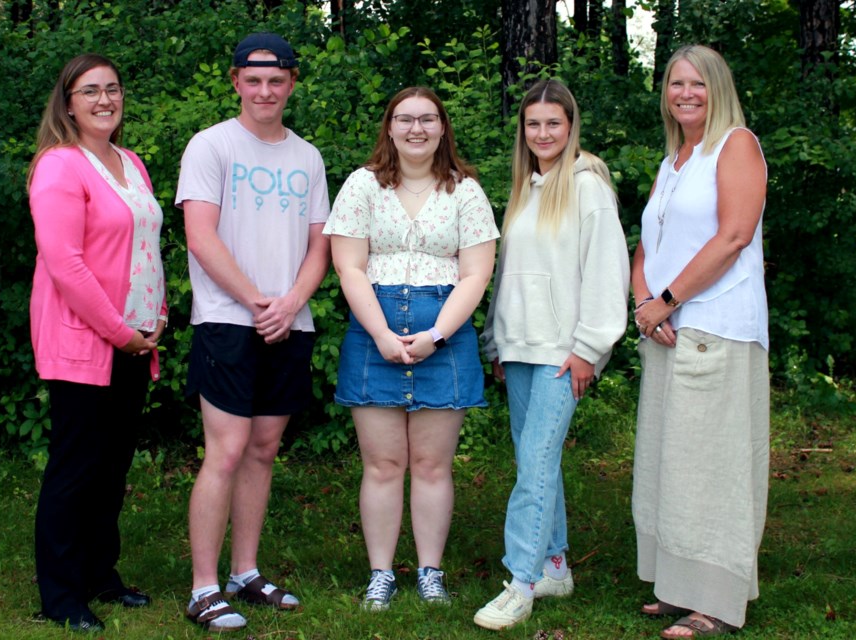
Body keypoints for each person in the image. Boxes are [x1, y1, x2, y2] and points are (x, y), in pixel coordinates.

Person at [175, 32, 330, 633]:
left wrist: (290, 302)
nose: (265, 90)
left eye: (277, 79)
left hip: (290, 321)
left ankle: (245, 571)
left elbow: (321, 242)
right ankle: (204, 588)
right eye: (253, 79)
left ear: (291, 83)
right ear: (236, 81)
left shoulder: (307, 156)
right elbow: (201, 236)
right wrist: (257, 301)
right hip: (228, 321)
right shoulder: (211, 146)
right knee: (228, 451)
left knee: (264, 450)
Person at [324, 87, 498, 611]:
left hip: (444, 334)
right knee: (381, 464)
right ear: (390, 126)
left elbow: (476, 272)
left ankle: (430, 572)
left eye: (427, 119)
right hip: (373, 330)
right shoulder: (362, 186)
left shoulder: (465, 190)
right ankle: (381, 574)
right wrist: (380, 333)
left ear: (443, 127)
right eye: (406, 119)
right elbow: (349, 266)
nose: (416, 128)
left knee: (431, 465)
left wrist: (437, 335)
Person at [473, 79, 630, 631]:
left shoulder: (588, 188)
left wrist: (590, 347)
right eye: (533, 124)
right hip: (518, 348)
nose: (543, 134)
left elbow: (608, 273)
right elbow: (506, 276)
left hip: (564, 354)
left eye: (553, 124)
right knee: (534, 462)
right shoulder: (524, 188)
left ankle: (521, 582)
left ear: (571, 126)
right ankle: (556, 564)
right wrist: (497, 341)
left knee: (534, 467)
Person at [631, 44, 769, 639]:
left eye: (698, 84)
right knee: (672, 460)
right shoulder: (676, 159)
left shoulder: (735, 145)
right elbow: (645, 247)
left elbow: (734, 235)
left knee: (713, 465)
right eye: (675, 84)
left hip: (717, 324)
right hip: (669, 329)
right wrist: (643, 302)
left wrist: (668, 299)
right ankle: (676, 585)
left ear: (719, 88)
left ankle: (714, 598)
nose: (685, 93)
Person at [27, 53, 166, 632]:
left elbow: (146, 247)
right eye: (90, 91)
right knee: (75, 469)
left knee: (111, 468)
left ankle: (99, 575)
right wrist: (120, 332)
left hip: (134, 340)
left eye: (112, 89)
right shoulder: (60, 165)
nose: (104, 100)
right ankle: (60, 595)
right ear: (68, 103)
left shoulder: (129, 161)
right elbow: (65, 263)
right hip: (88, 341)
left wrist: (156, 319)